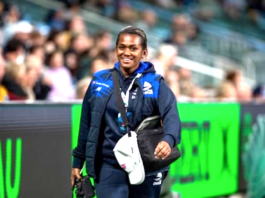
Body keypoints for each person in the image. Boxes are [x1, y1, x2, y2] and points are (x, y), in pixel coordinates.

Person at [71, 26, 181, 198]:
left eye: (133, 48)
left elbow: (171, 115)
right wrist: (78, 161)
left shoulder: (155, 83)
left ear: (144, 53)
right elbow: (86, 123)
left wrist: (168, 140)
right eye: (122, 47)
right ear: (116, 49)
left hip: (146, 165)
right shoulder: (99, 81)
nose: (126, 52)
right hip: (108, 164)